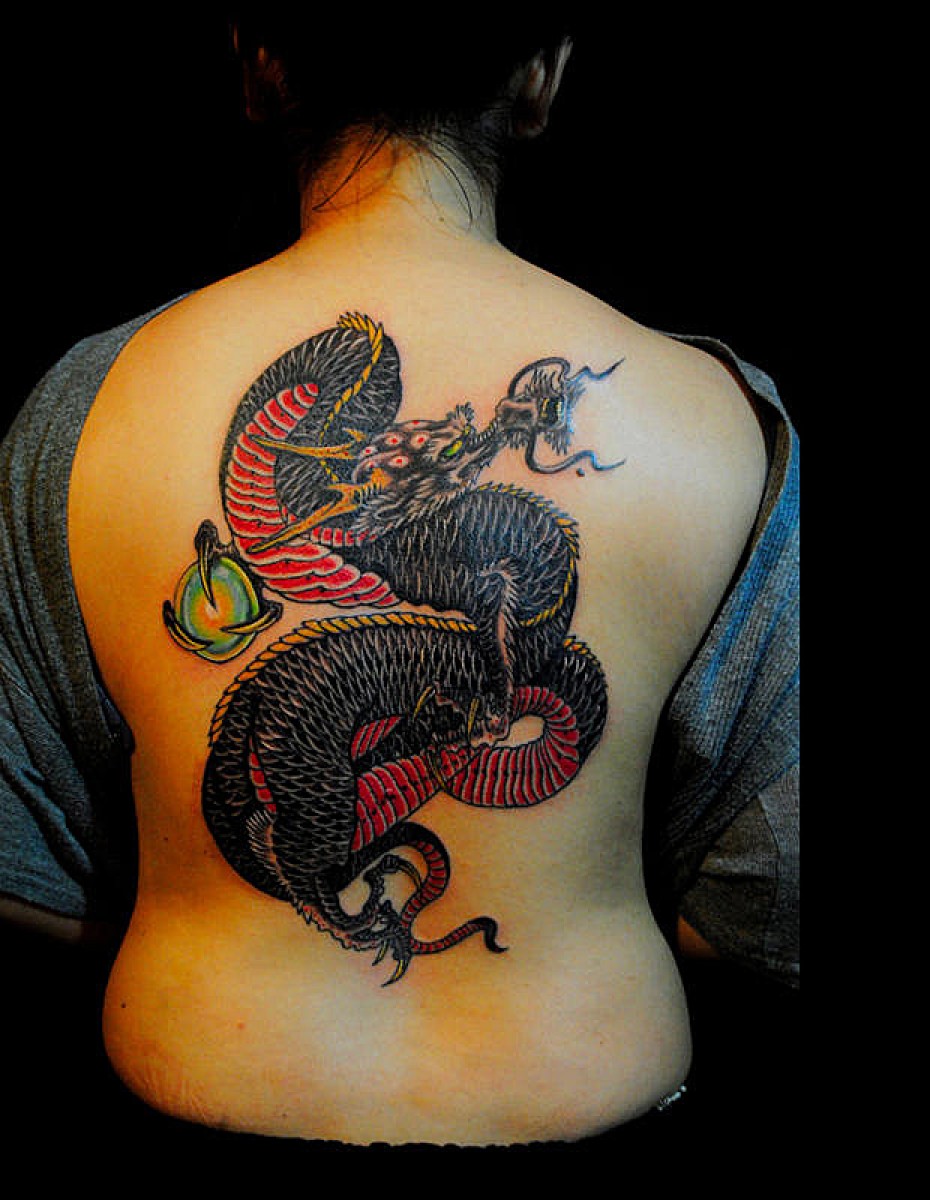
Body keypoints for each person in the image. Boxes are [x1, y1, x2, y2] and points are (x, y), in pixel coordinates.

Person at [0, 9, 798, 1151]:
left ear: (260, 65)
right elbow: (773, 893)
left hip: (203, 1093)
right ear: (540, 73)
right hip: (589, 1102)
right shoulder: (716, 424)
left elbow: (17, 855)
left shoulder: (89, 411)